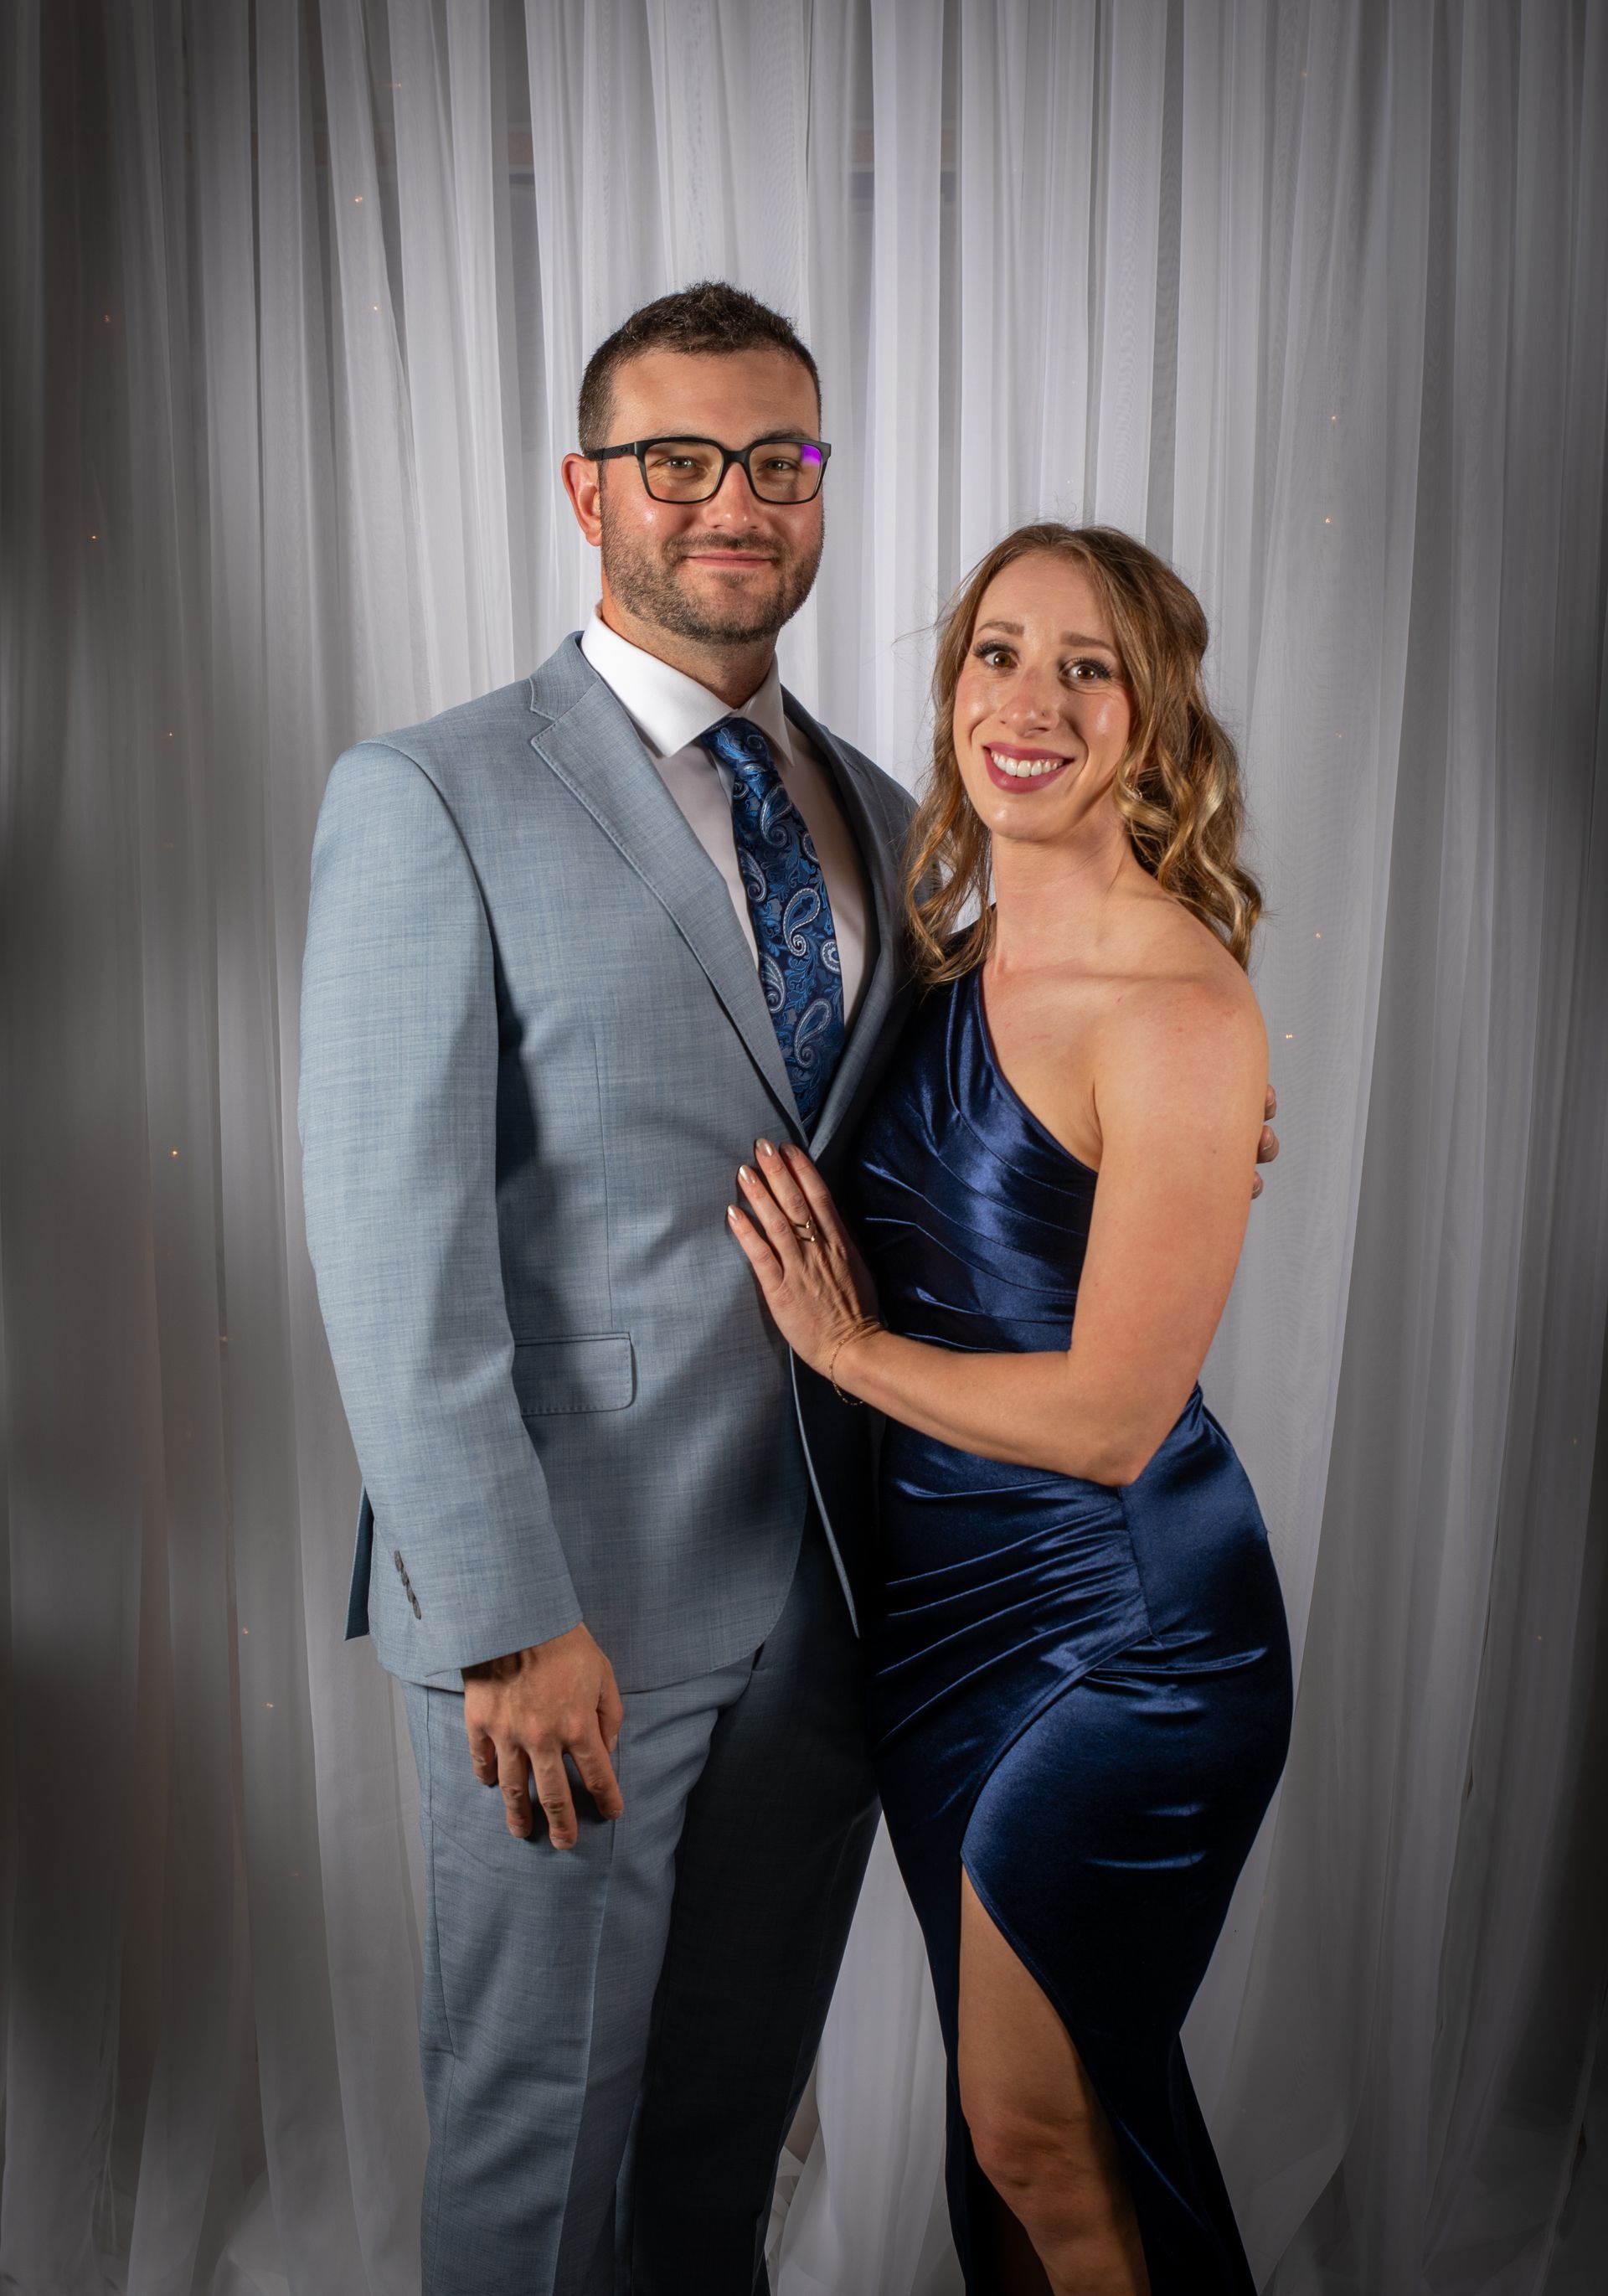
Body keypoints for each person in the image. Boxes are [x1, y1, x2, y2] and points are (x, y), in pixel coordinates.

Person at [302, 275, 1278, 2294]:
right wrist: (500, 1620)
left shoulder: (903, 821)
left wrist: (1208, 1106)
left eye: (776, 460)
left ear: (819, 495)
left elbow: (1013, 1110)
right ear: (590, 493)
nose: (730, 500)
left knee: (716, 2152)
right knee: (534, 2143)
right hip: (569, 1631)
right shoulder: (433, 796)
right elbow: (392, 1249)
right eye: (679, 460)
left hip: (847, 1618)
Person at [727, 523, 1295, 2296]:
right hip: (943, 1624)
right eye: (998, 652)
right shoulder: (939, 961)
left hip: (1125, 1636)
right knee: (1033, 2129)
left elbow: (1122, 1416)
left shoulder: (1179, 1005)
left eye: (1086, 666)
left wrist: (847, 1353)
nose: (1028, 701)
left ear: (1154, 717)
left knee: (1042, 2128)